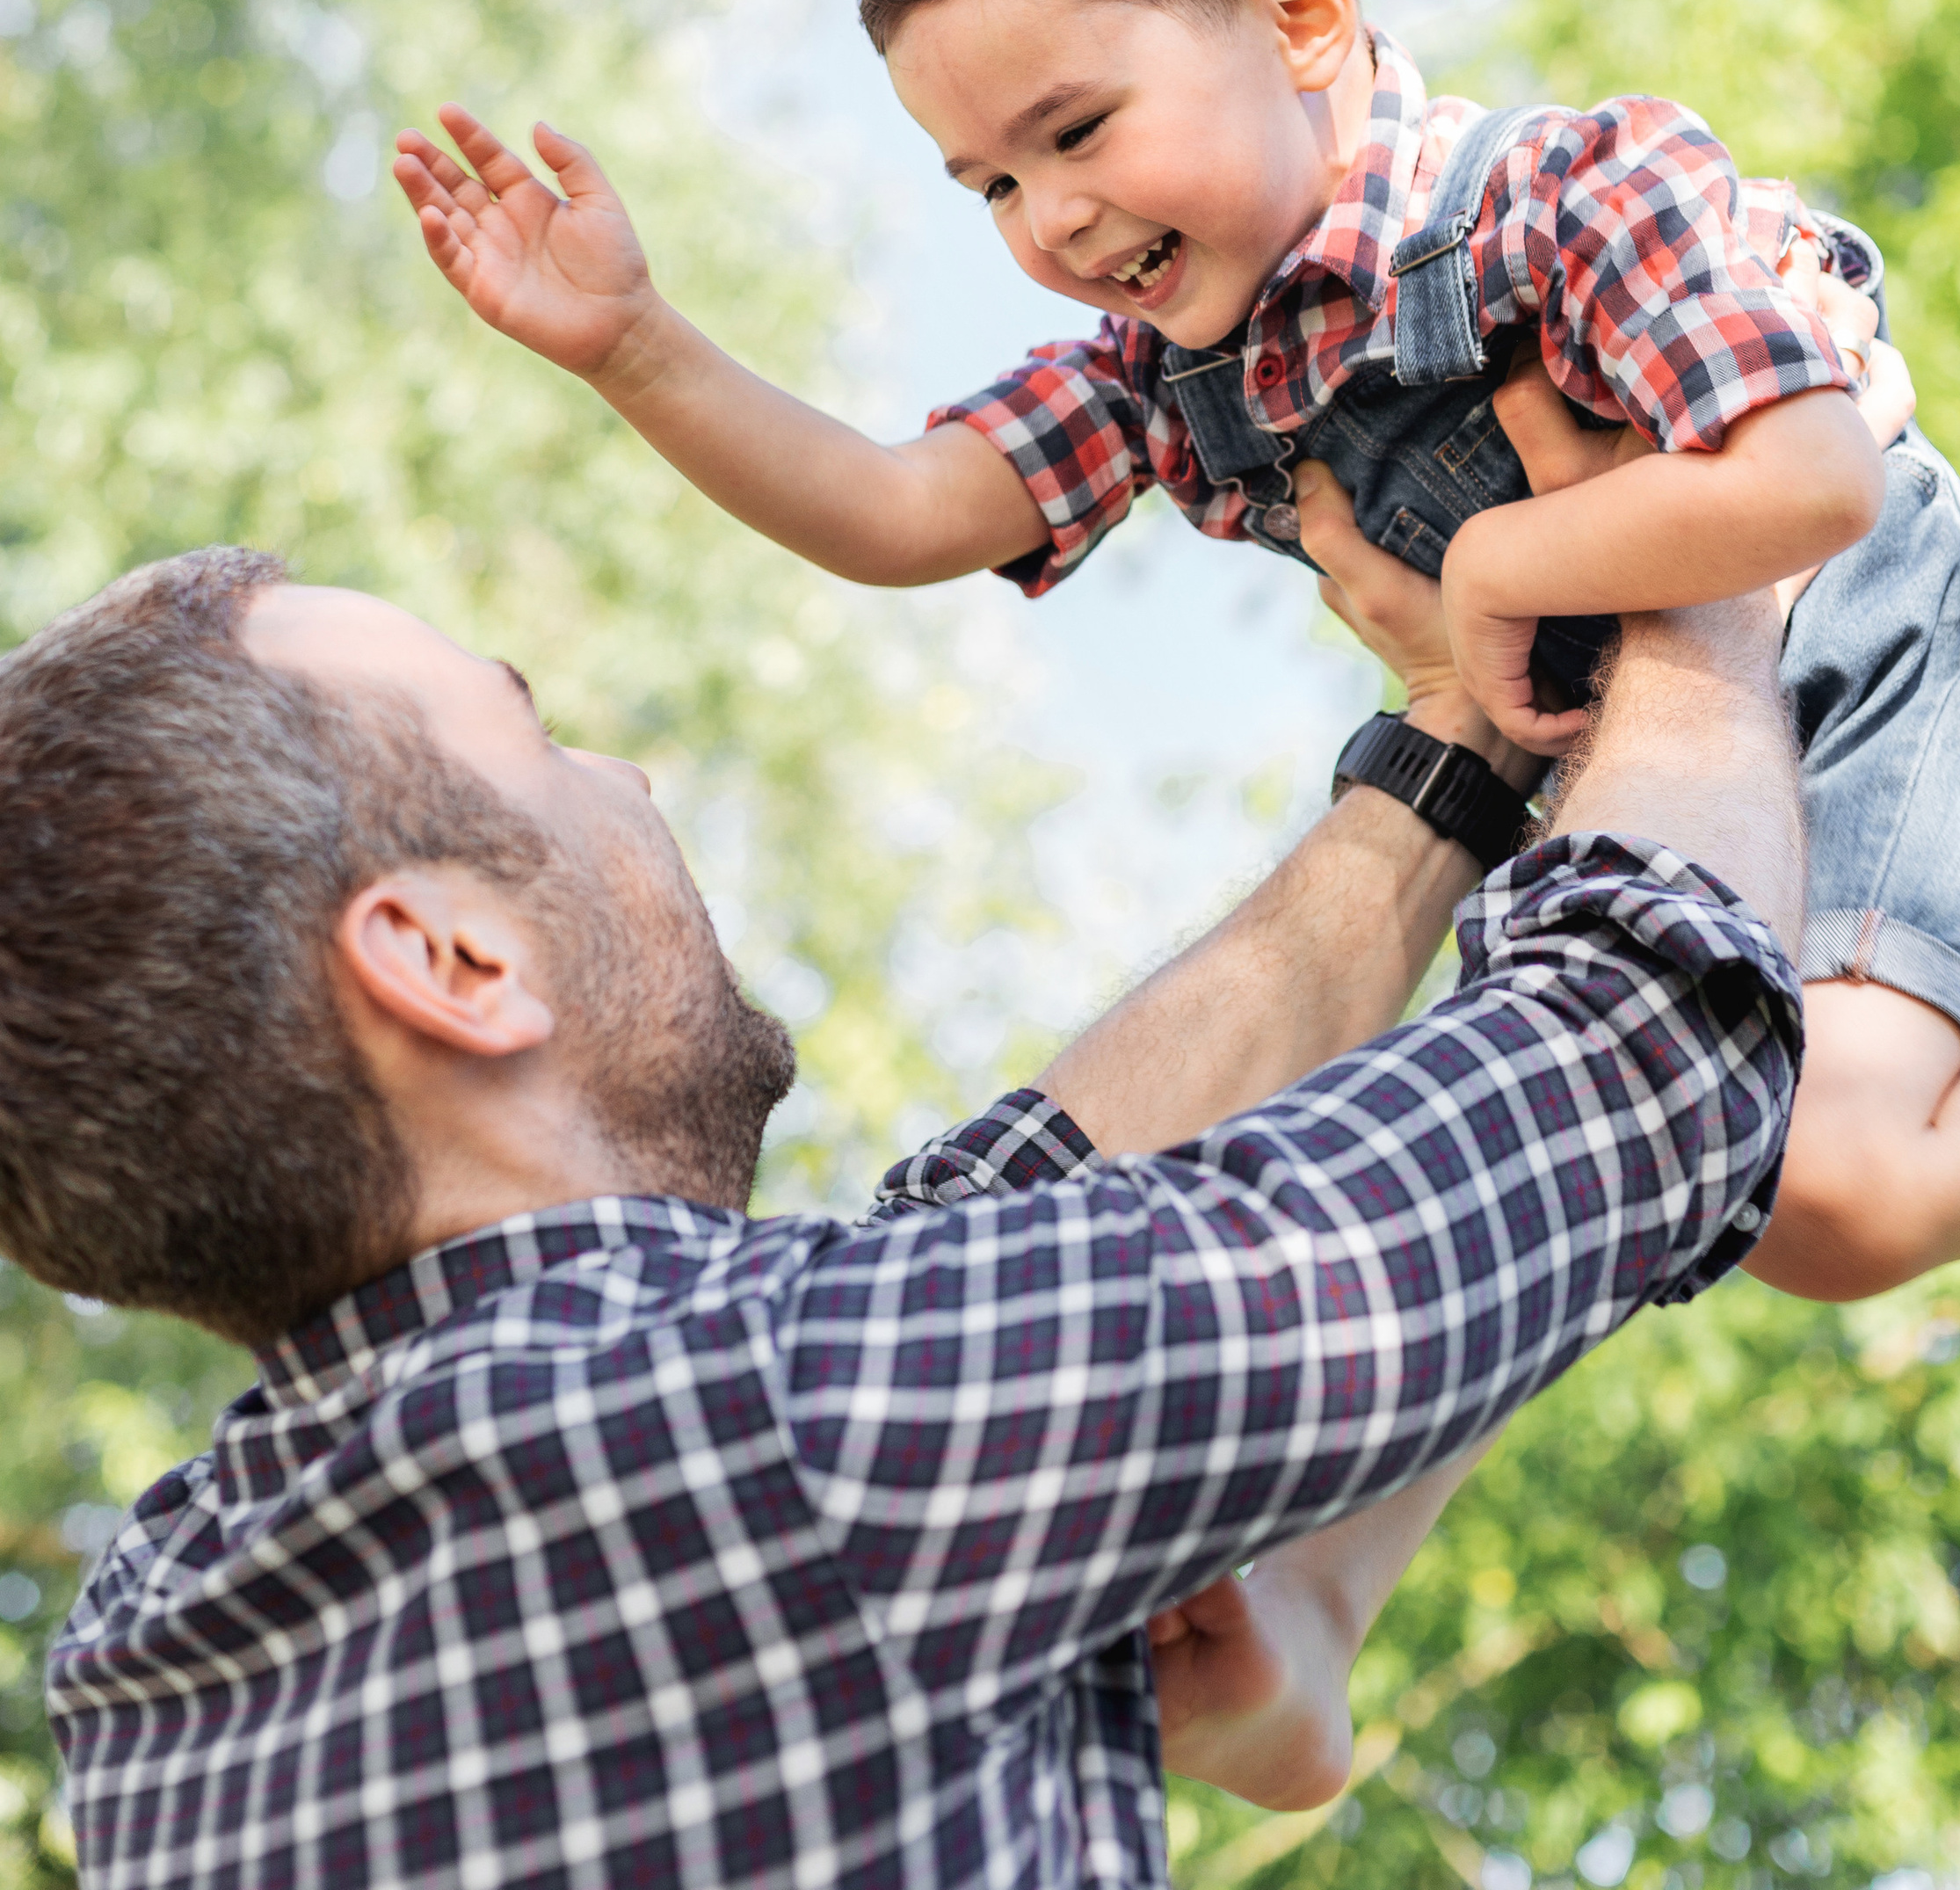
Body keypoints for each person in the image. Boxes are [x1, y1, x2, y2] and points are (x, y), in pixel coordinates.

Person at [396, 0, 1960, 1305]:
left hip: (1882, 681)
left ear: (1297, 16)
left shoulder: (1561, 201)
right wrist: (635, 347)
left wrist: (1511, 558)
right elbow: (899, 511)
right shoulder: (1167, 371)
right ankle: (1302, 1617)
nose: (1043, 223)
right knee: (1536, 1174)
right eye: (982, 187)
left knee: (1827, 1198)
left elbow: (1808, 479)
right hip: (1650, 794)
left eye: (1075, 130)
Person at [7, 501, 1803, 1887]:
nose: (627, 781)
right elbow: (1638, 1053)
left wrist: (1456, 741)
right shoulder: (757, 1435)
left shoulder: (154, 1664)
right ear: (451, 963)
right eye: (531, 735)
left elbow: (980, 1245)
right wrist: (1698, 570)